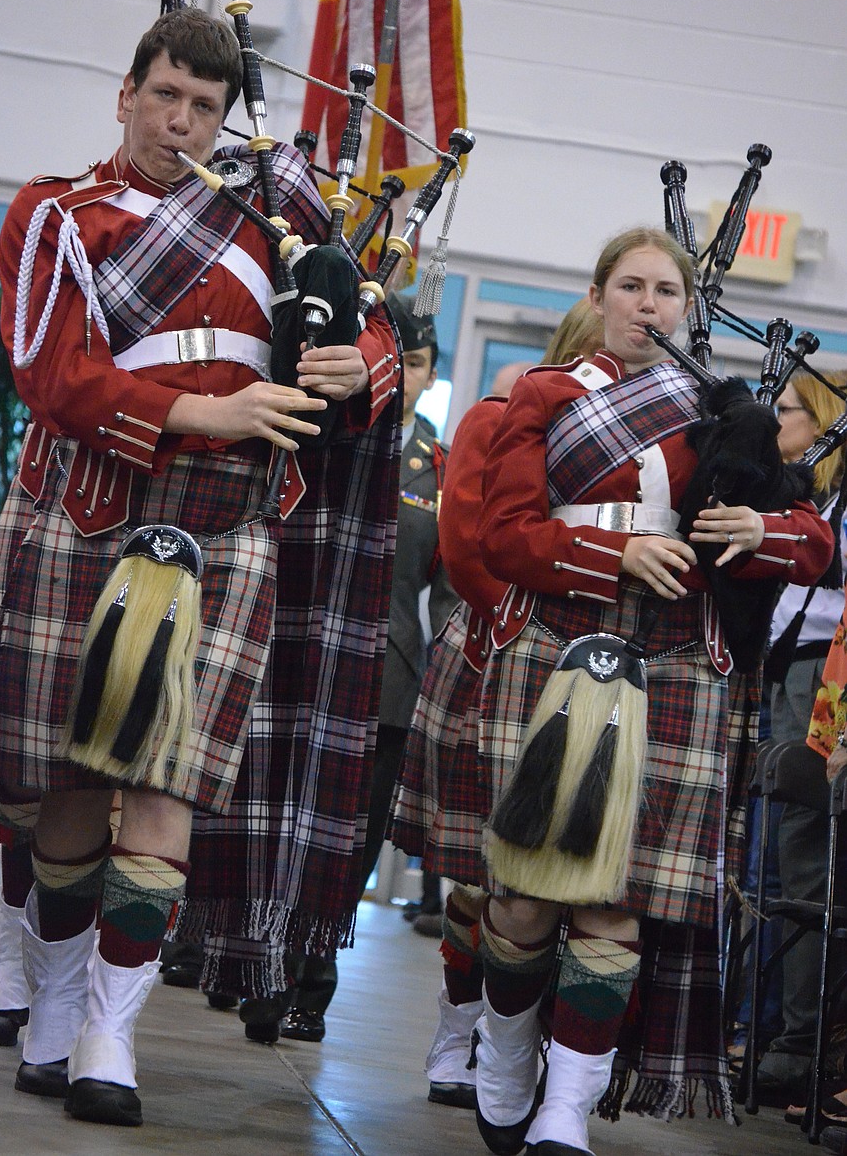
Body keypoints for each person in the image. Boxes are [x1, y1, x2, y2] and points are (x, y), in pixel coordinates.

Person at [0, 7, 399, 1127]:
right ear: (124, 92)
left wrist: (346, 360)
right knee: (71, 784)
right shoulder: (53, 213)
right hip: (94, 514)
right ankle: (56, 999)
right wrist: (204, 410)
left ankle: (110, 1033)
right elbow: (50, 374)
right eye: (164, 97)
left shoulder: (266, 210)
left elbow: (372, 322)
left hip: (227, 532)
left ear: (226, 116)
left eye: (204, 107)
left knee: (165, 788)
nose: (181, 122)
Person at [468, 227, 833, 1156]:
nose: (647, 304)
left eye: (665, 291)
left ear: (686, 309)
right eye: (629, 286)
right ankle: (507, 1053)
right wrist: (615, 550)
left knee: (614, 901)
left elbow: (816, 543)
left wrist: (762, 527)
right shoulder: (544, 398)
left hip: (675, 664)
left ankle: (566, 1110)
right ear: (596, 298)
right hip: (554, 650)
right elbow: (503, 537)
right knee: (521, 896)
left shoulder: (722, 415)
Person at [389, 297, 603, 1109]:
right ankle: (457, 1024)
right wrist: (525, 633)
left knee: (562, 878)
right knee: (481, 875)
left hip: (589, 674)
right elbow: (468, 546)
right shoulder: (498, 414)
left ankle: (530, 1046)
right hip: (494, 657)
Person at [240, 291, 460, 1042]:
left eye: (422, 362)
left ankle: (311, 977)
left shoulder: (441, 468)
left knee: (349, 839)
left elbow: (453, 592)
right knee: (265, 813)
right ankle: (247, 957)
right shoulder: (312, 429)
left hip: (387, 678)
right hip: (285, 653)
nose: (410, 372)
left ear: (426, 374)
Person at [750, 370, 847, 1106]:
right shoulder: (811, 492)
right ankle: (764, 1024)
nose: (775, 419)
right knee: (775, 861)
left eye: (787, 410)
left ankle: (796, 1042)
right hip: (789, 669)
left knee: (805, 862)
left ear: (824, 422)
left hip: (825, 678)